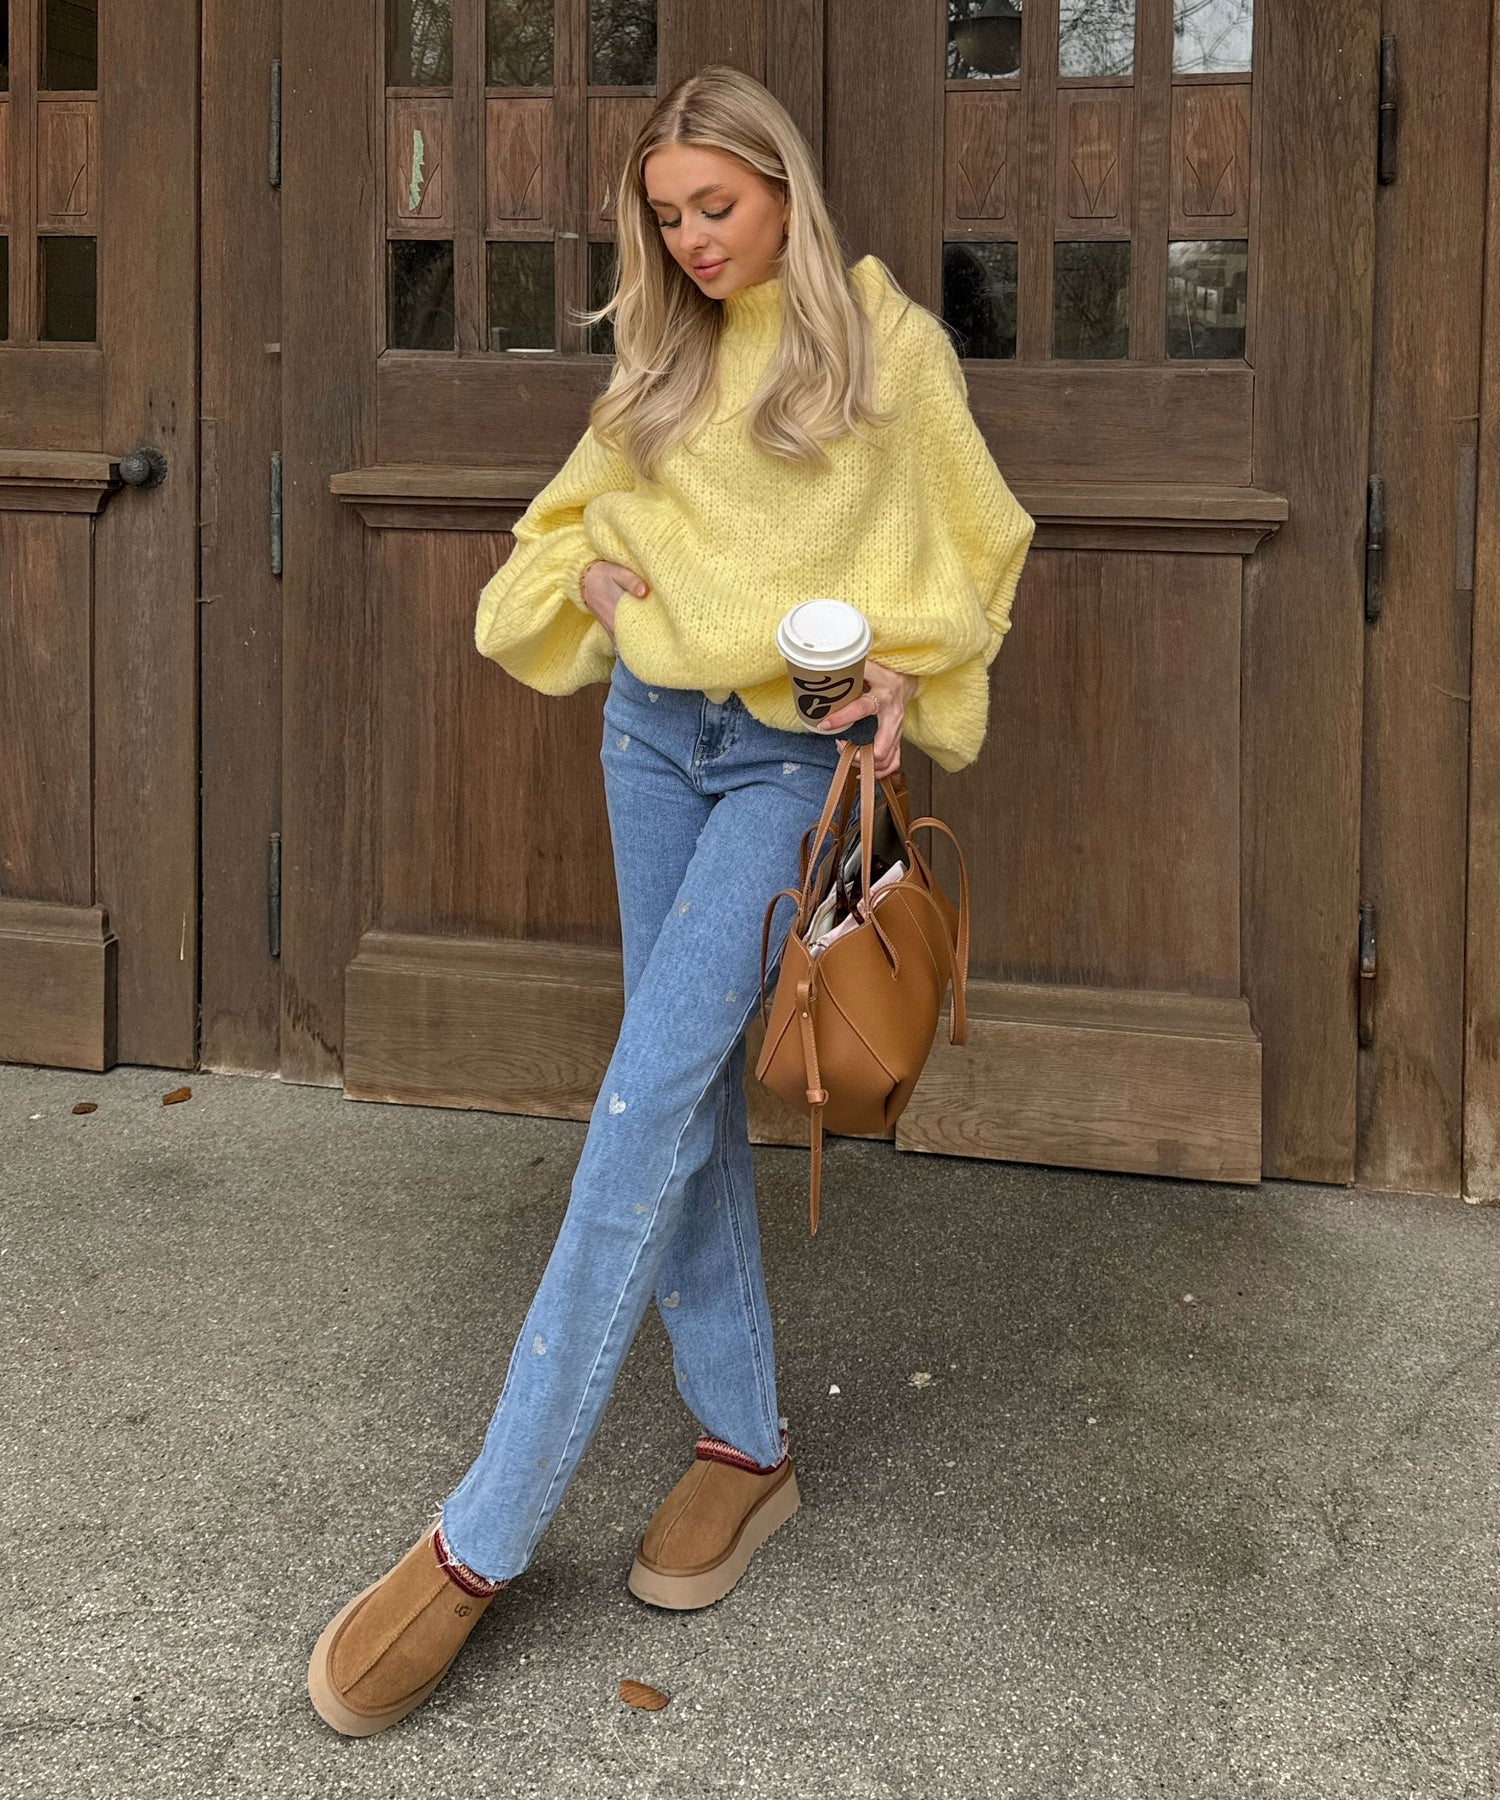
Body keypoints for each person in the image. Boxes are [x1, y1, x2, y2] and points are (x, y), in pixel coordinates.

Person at [306, 62, 1035, 1737]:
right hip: (650, 732)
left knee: (640, 1107)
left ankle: (480, 1538)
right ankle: (745, 1446)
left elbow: (982, 551)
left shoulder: (887, 350)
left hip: (786, 760)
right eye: (666, 215)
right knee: (683, 1097)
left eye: (718, 205)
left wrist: (911, 684)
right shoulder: (664, 353)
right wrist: (589, 574)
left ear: (783, 188)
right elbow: (555, 537)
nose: (694, 239)